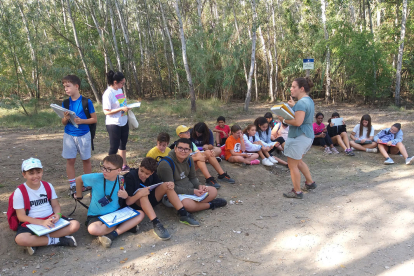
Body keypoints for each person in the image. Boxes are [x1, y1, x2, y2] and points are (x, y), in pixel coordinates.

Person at [74, 154, 145, 248]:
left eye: (109, 169)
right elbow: (78, 180)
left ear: (119, 170)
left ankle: (113, 234)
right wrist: (79, 196)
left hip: (115, 214)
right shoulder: (96, 178)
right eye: (103, 167)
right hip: (97, 215)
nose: (104, 171)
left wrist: (126, 195)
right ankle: (124, 227)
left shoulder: (121, 180)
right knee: (93, 230)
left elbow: (126, 199)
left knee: (140, 214)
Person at [14, 158, 80, 255]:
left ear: (42, 172)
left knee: (75, 225)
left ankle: (37, 241)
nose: (35, 176)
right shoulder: (19, 191)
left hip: (50, 220)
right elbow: (21, 216)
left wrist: (57, 214)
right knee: (20, 239)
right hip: (32, 223)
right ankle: (57, 240)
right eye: (31, 173)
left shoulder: (48, 186)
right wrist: (41, 222)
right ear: (24, 175)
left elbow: (56, 205)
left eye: (38, 172)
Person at [123, 158, 200, 240]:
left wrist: (170, 184)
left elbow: (159, 185)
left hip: (151, 201)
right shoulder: (130, 176)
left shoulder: (153, 176)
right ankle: (156, 224)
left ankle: (183, 213)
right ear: (139, 166)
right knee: (143, 193)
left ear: (152, 173)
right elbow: (128, 202)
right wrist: (140, 194)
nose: (143, 175)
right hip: (137, 204)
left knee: (166, 185)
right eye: (141, 171)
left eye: (147, 173)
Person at [157, 138, 227, 213]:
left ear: (190, 151)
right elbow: (170, 188)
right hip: (174, 193)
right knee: (187, 204)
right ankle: (210, 204)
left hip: (189, 189)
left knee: (213, 191)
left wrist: (198, 186)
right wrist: (193, 191)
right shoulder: (166, 164)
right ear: (175, 149)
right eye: (180, 148)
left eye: (186, 149)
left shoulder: (189, 159)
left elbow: (192, 177)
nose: (183, 151)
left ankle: (196, 206)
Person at [276, 77, 316, 199]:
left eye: (294, 86)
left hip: (299, 137)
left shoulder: (302, 103)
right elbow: (301, 115)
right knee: (298, 162)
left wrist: (282, 119)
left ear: (302, 88)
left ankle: (297, 191)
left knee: (292, 165)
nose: (291, 89)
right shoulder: (308, 100)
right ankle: (310, 183)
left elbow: (298, 122)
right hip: (307, 136)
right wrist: (294, 106)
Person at [61, 75, 97, 194]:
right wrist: (65, 118)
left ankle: (87, 183)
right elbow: (63, 122)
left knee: (86, 159)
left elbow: (94, 119)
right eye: (64, 86)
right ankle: (72, 185)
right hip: (69, 135)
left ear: (76, 86)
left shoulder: (86, 102)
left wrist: (82, 121)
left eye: (68, 86)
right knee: (70, 160)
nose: (66, 89)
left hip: (84, 135)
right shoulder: (65, 103)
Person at [171, 125, 235, 189]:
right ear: (180, 135)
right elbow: (182, 160)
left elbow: (198, 152)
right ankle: (209, 179)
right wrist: (197, 157)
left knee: (207, 153)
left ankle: (222, 175)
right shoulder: (177, 146)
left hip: (192, 164)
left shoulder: (191, 144)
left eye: (188, 131)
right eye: (186, 132)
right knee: (199, 157)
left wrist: (208, 153)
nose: (188, 133)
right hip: (183, 168)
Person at [102, 70, 131, 171]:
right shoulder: (108, 94)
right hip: (113, 124)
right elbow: (106, 112)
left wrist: (127, 107)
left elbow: (121, 104)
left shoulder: (119, 90)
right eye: (122, 83)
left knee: (123, 144)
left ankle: (123, 165)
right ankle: (109, 167)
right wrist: (120, 109)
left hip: (123, 121)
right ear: (115, 82)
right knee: (114, 147)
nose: (123, 85)